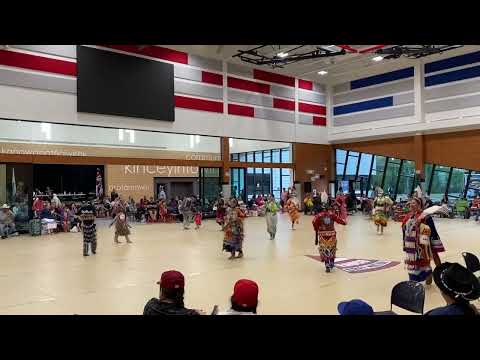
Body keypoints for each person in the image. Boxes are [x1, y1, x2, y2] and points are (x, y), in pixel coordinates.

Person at [402, 190, 446, 284]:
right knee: (418, 260)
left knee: (432, 256)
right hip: (413, 244)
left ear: (419, 205)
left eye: (414, 203)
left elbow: (431, 230)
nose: (411, 204)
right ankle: (424, 276)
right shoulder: (408, 216)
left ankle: (440, 275)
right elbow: (404, 230)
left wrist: (430, 240)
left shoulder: (426, 216)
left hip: (426, 241)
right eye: (411, 203)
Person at [312, 192, 347, 272]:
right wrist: (344, 222)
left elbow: (313, 222)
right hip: (331, 234)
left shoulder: (318, 215)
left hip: (322, 235)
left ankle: (327, 264)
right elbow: (339, 220)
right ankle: (331, 262)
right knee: (332, 248)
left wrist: (317, 229)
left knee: (324, 249)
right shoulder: (332, 214)